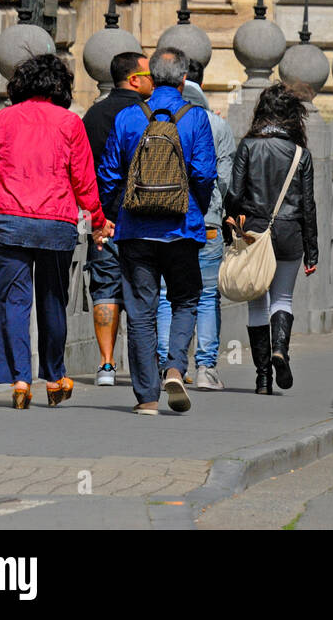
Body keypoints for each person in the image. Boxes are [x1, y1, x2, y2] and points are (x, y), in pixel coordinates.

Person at [0, 54, 111, 409]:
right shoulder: (70, 123)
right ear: (60, 87)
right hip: (55, 224)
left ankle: (20, 379)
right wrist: (97, 221)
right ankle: (54, 377)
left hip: (8, 220)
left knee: (12, 302)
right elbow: (84, 180)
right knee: (53, 300)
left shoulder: (4, 119)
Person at [97, 47, 217, 416]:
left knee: (140, 311)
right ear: (184, 79)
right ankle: (176, 368)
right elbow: (205, 174)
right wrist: (190, 205)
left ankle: (147, 398)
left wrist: (119, 211)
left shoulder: (130, 116)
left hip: (135, 231)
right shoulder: (196, 118)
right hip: (183, 229)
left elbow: (109, 174)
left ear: (151, 79)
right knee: (185, 300)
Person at [224, 84, 318, 396]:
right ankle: (281, 350)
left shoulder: (248, 145)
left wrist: (234, 224)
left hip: (253, 232)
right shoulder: (300, 154)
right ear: (292, 116)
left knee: (256, 303)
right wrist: (312, 252)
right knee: (283, 300)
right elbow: (308, 205)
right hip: (289, 233)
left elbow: (235, 194)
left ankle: (262, 377)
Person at [155, 58, 235, 391]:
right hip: (205, 218)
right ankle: (206, 368)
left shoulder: (152, 116)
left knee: (163, 295)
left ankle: (166, 364)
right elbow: (224, 179)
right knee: (204, 296)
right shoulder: (215, 124)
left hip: (159, 219)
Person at [81, 51, 152, 386]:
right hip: (148, 219)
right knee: (145, 289)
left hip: (103, 219)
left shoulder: (93, 115)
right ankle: (148, 364)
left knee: (104, 289)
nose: (154, 79)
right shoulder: (149, 113)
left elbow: (82, 172)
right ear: (134, 78)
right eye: (149, 73)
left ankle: (106, 366)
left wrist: (95, 217)